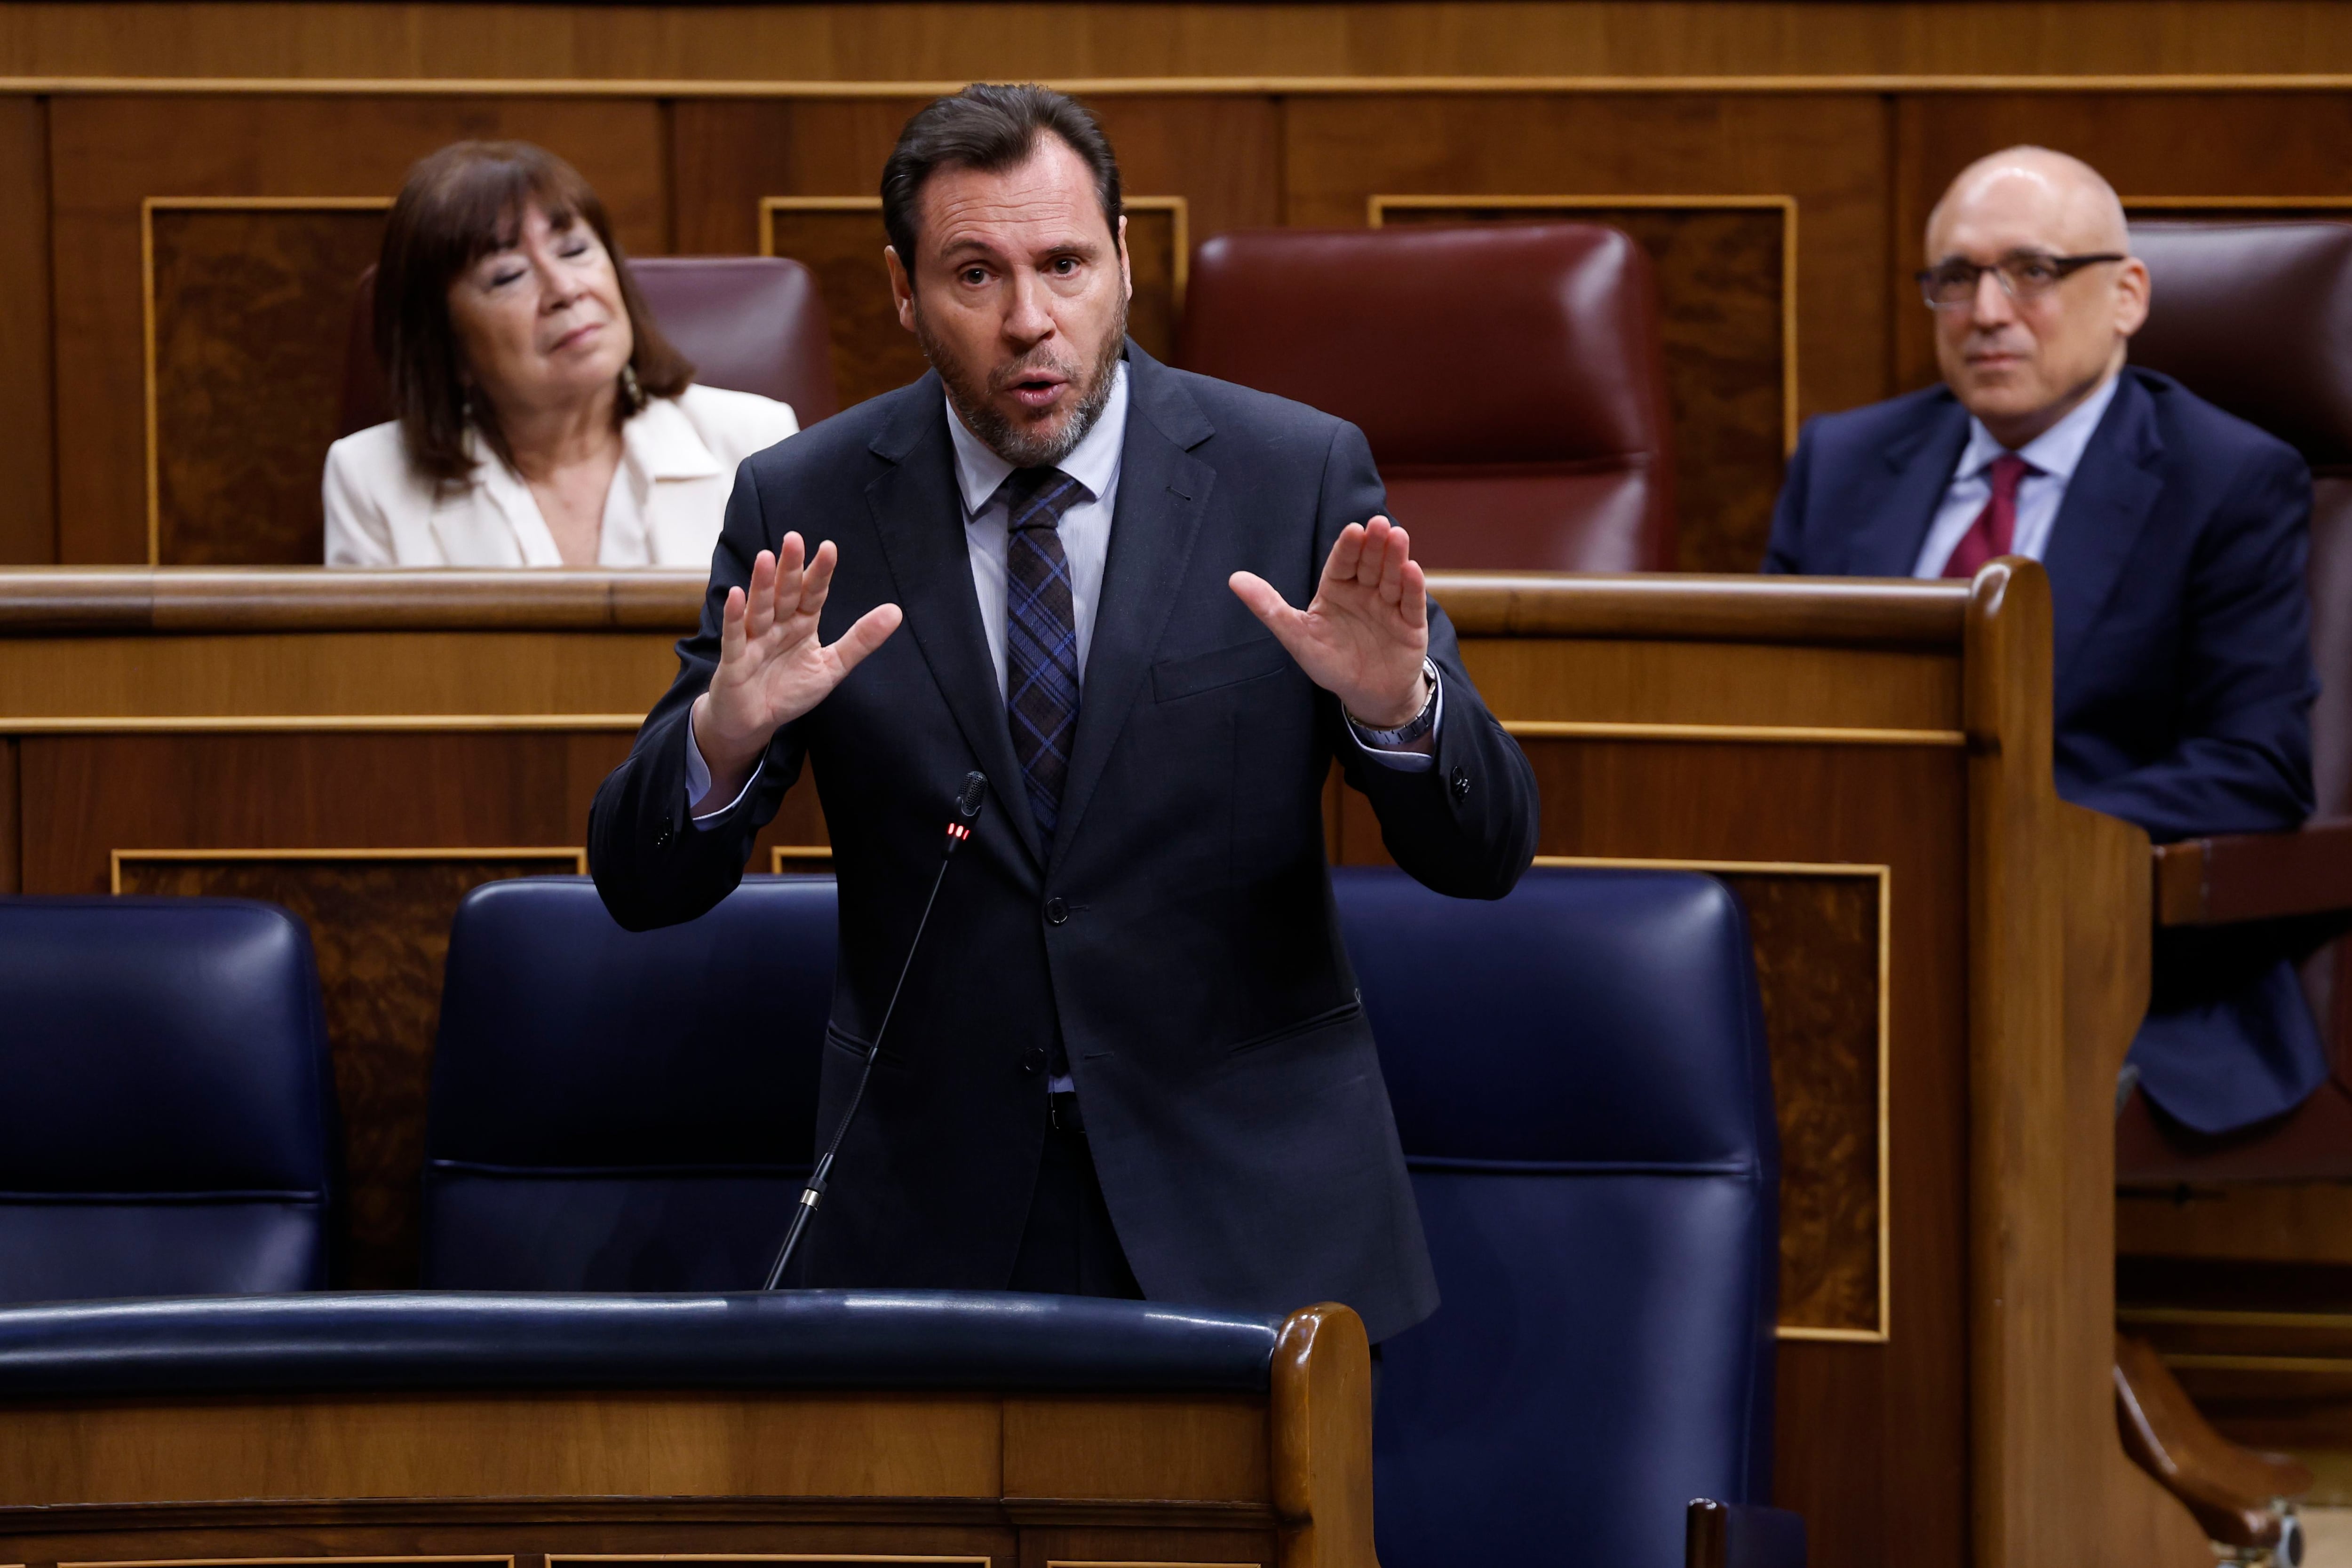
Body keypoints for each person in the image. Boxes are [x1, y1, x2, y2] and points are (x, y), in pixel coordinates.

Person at [588, 84, 1538, 1339]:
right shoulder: (806, 502)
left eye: (1065, 264)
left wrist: (1396, 710)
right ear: (902, 289)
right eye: (975, 274)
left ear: (1127, 263)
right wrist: (726, 737)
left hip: (1249, 1212)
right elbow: (642, 880)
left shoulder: (1290, 475)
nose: (1030, 320)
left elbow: (1486, 851)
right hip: (932, 1215)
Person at [1765, 145, 2322, 1135]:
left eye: (2031, 271)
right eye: (1955, 279)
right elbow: (1774, 713)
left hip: (2084, 945)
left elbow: (2252, 771)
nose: (1985, 311)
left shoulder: (2225, 479)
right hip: (1843, 926)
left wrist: (1999, 830)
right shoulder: (1844, 462)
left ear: (2127, 295)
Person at [325, 141, 798, 568]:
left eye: (574, 250)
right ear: (447, 346)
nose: (566, 290)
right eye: (508, 275)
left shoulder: (756, 442)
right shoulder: (371, 481)